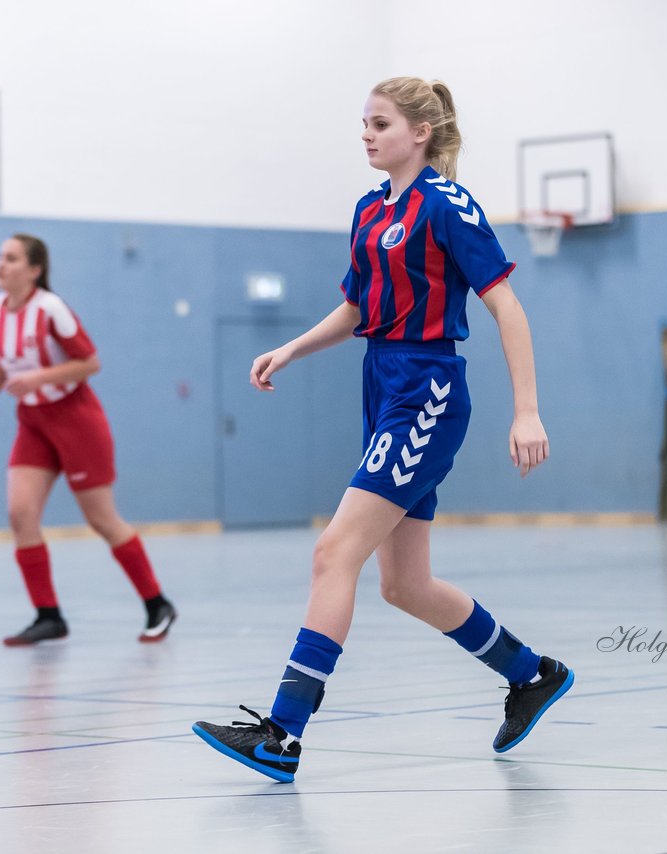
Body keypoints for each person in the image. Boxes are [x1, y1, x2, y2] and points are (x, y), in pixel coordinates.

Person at [193, 78, 572, 782]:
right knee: (405, 585)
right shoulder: (370, 211)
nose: (366, 135)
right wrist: (291, 349)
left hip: (425, 391)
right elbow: (358, 308)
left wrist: (527, 410)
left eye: (380, 123)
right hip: (382, 383)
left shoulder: (448, 206)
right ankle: (531, 674)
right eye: (362, 124)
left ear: (420, 132)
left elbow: (507, 307)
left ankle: (283, 733)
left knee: (334, 554)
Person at [0, 233, 176, 647]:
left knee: (101, 519)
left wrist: (39, 378)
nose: (0, 265)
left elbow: (90, 362)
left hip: (75, 419)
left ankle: (157, 604)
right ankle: (48, 616)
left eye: (11, 259)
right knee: (20, 514)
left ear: (34, 270)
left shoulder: (51, 309)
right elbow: (1, 359)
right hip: (33, 421)